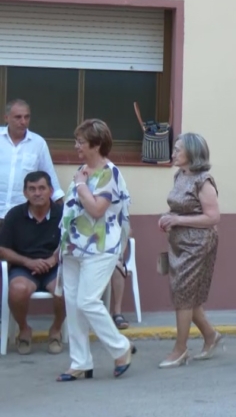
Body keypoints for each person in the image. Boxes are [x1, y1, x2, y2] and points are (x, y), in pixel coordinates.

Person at [56, 119, 135, 381]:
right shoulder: (83, 170)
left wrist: (79, 185)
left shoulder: (109, 173)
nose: (76, 146)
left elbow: (96, 209)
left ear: (97, 144)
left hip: (100, 247)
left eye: (80, 141)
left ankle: (120, 347)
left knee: (88, 301)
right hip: (73, 247)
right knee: (74, 306)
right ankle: (80, 362)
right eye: (76, 141)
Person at [157, 133, 224, 368]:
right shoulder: (180, 175)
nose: (173, 153)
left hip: (198, 244)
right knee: (186, 295)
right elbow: (179, 208)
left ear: (192, 154)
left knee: (183, 293)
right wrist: (168, 218)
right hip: (178, 243)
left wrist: (177, 220)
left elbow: (213, 217)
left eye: (178, 149)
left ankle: (180, 349)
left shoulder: (203, 181)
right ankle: (210, 336)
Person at [0, 171, 65, 355]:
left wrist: (53, 259)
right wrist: (28, 262)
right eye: (32, 189)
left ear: (51, 191)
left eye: (42, 188)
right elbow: (2, 249)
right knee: (18, 290)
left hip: (54, 267)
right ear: (25, 192)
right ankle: (24, 330)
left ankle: (56, 330)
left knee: (66, 289)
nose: (37, 193)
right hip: (24, 268)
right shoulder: (14, 215)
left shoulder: (62, 214)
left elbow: (72, 242)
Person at [1, 99, 64, 228]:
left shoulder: (38, 143)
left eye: (26, 117)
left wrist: (62, 211)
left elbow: (50, 179)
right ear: (6, 118)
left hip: (22, 217)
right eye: (18, 117)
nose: (23, 121)